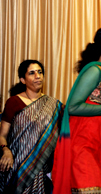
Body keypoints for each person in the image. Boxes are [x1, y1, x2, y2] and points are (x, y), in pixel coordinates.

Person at [52, 27, 101, 194]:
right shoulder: (94, 71)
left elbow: (95, 112)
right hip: (82, 147)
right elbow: (73, 106)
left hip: (96, 146)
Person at [0, 60, 63, 193]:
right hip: (17, 165)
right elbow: (2, 135)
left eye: (40, 72)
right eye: (32, 73)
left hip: (42, 166)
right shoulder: (13, 102)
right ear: (23, 80)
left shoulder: (53, 105)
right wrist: (6, 150)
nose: (37, 76)